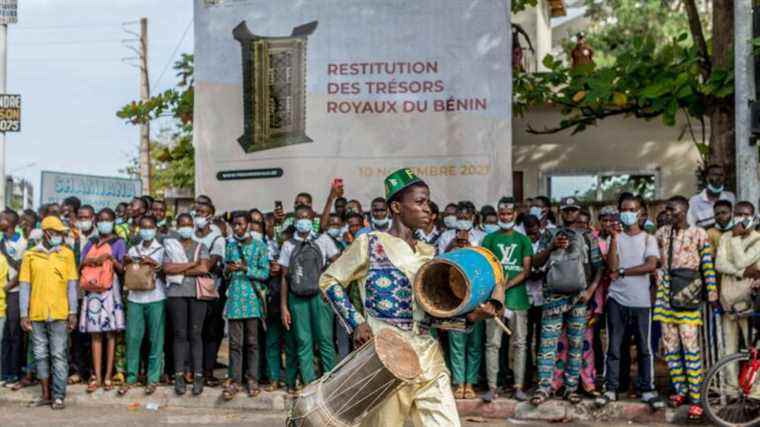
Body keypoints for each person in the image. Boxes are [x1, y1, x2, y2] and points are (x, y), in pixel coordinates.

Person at [320, 168, 491, 426]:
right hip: (386, 358)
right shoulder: (370, 243)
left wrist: (476, 315)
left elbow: (434, 314)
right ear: (397, 207)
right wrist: (357, 323)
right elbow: (329, 280)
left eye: (428, 202)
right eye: (419, 202)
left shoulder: (429, 252)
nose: (427, 208)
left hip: (428, 358)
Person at [530, 197, 603, 406]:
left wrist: (590, 291)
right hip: (553, 297)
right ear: (560, 212)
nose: (570, 214)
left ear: (579, 211)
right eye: (566, 210)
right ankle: (544, 387)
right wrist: (552, 246)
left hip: (580, 298)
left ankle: (571, 388)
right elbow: (535, 263)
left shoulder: (588, 236)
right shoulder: (549, 234)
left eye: (573, 210)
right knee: (547, 344)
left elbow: (599, 267)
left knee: (576, 344)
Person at [596, 194, 664, 409]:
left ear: (640, 213)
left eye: (632, 209)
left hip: (642, 301)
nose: (628, 213)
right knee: (614, 347)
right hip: (617, 299)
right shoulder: (613, 239)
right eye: (624, 209)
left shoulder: (648, 239)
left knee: (645, 348)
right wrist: (615, 239)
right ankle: (611, 388)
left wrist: (624, 271)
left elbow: (651, 265)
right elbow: (611, 267)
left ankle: (647, 389)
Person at [654, 195, 717, 421]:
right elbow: (656, 263)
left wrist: (712, 293)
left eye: (674, 210)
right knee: (671, 348)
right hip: (664, 298)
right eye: (668, 210)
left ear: (685, 209)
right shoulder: (661, 234)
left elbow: (707, 265)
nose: (670, 214)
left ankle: (697, 397)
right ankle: (680, 390)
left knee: (691, 349)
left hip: (689, 296)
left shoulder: (699, 234)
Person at [19, 216, 78, 410]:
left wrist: (73, 311)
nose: (61, 236)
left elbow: (71, 285)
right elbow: (25, 286)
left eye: (62, 233)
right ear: (47, 233)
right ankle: (45, 394)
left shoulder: (66, 254)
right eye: (58, 233)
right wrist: (23, 313)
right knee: (40, 354)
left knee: (59, 354)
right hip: (37, 313)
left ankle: (58, 395)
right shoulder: (30, 255)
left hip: (60, 313)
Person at [278, 204, 339, 391]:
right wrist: (284, 307)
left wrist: (329, 289)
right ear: (295, 221)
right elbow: (284, 277)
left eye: (307, 217)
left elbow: (339, 264)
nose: (303, 221)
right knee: (303, 342)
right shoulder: (288, 245)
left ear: (313, 219)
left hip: (320, 298)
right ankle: (309, 385)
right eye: (299, 218)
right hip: (297, 299)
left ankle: (331, 384)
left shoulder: (323, 240)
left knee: (325, 341)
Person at [481, 197, 533, 402]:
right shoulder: (489, 239)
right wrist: (497, 290)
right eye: (502, 213)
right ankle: (492, 387)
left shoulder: (523, 240)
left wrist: (506, 285)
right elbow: (485, 267)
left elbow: (526, 270)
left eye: (509, 213)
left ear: (514, 214)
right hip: (494, 300)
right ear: (498, 214)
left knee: (520, 344)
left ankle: (518, 387)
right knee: (492, 344)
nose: (505, 216)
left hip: (518, 299)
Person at [441, 202, 487, 401]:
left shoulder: (482, 236)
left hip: (476, 294)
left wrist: (470, 248)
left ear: (474, 217)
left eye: (466, 216)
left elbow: (486, 263)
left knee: (475, 342)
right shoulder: (445, 236)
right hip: (454, 294)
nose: (462, 219)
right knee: (456, 340)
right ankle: (459, 383)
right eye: (459, 215)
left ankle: (471, 382)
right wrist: (453, 245)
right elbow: (439, 262)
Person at [222, 211, 269, 400]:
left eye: (241, 224)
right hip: (234, 301)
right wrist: (228, 270)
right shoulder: (231, 247)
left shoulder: (260, 247)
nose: (237, 228)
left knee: (252, 343)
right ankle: (234, 380)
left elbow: (265, 273)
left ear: (248, 225)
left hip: (252, 301)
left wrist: (245, 268)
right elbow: (225, 275)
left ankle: (252, 379)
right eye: (235, 225)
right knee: (234, 344)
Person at [79, 208, 126, 393]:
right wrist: (93, 260)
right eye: (100, 220)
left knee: (111, 334)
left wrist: (110, 258)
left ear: (114, 221)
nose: (103, 223)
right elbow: (80, 264)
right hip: (92, 292)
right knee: (95, 334)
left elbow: (123, 269)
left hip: (110, 290)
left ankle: (108, 375)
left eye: (107, 220)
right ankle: (97, 376)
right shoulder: (91, 242)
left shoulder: (119, 242)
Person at [163, 213, 210, 396]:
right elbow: (167, 268)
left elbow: (204, 268)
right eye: (182, 224)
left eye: (189, 224)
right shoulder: (171, 246)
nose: (186, 227)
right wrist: (191, 265)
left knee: (196, 334)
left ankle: (198, 376)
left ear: (193, 226)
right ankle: (179, 376)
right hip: (176, 294)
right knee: (179, 334)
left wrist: (179, 269)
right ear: (177, 226)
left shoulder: (201, 246)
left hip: (197, 294)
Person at [119, 215, 165, 397]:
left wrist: (155, 264)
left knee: (155, 340)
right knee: (133, 339)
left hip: (156, 297)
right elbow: (128, 272)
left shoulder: (161, 249)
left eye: (150, 227)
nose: (146, 230)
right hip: (135, 298)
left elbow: (167, 271)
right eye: (143, 227)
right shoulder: (133, 249)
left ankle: (153, 378)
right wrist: (126, 262)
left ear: (155, 229)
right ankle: (131, 377)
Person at [715, 201, 760, 386]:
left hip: (749, 301)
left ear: (754, 217)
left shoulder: (757, 239)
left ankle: (754, 389)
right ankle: (732, 389)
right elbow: (719, 264)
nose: (741, 219)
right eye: (738, 214)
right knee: (728, 347)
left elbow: (742, 260)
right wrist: (741, 272)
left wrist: (735, 239)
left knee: (753, 347)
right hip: (728, 299)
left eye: (746, 215)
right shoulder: (725, 237)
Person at [192, 201, 226, 388]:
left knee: (211, 332)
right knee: (195, 332)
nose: (199, 215)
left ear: (210, 215)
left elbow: (210, 264)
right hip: (189, 290)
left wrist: (186, 266)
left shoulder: (217, 238)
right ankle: (194, 371)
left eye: (203, 212)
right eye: (197, 212)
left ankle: (208, 371)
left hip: (211, 291)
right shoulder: (189, 234)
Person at [1, 210, 27, 386]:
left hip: (15, 292)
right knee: (4, 335)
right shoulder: (1, 240)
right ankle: (4, 371)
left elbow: (23, 268)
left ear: (8, 222)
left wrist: (9, 286)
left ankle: (15, 372)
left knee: (14, 333)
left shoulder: (22, 243)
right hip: (2, 294)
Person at [687, 164, 736, 228]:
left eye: (721, 175)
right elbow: (691, 225)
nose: (719, 178)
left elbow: (734, 219)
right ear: (707, 178)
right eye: (715, 175)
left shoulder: (730, 197)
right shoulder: (695, 201)